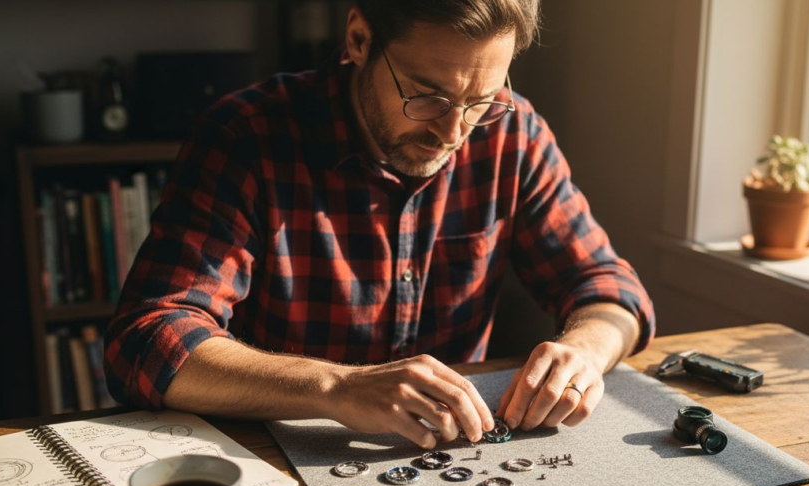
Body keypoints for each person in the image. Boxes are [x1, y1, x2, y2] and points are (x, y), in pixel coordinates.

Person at [104, 0, 655, 450]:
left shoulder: (513, 135)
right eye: (427, 96)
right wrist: (336, 387)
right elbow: (149, 340)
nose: (452, 132)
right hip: (281, 458)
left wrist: (584, 350)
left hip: (453, 455)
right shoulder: (246, 138)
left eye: (480, 101)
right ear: (360, 38)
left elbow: (611, 290)